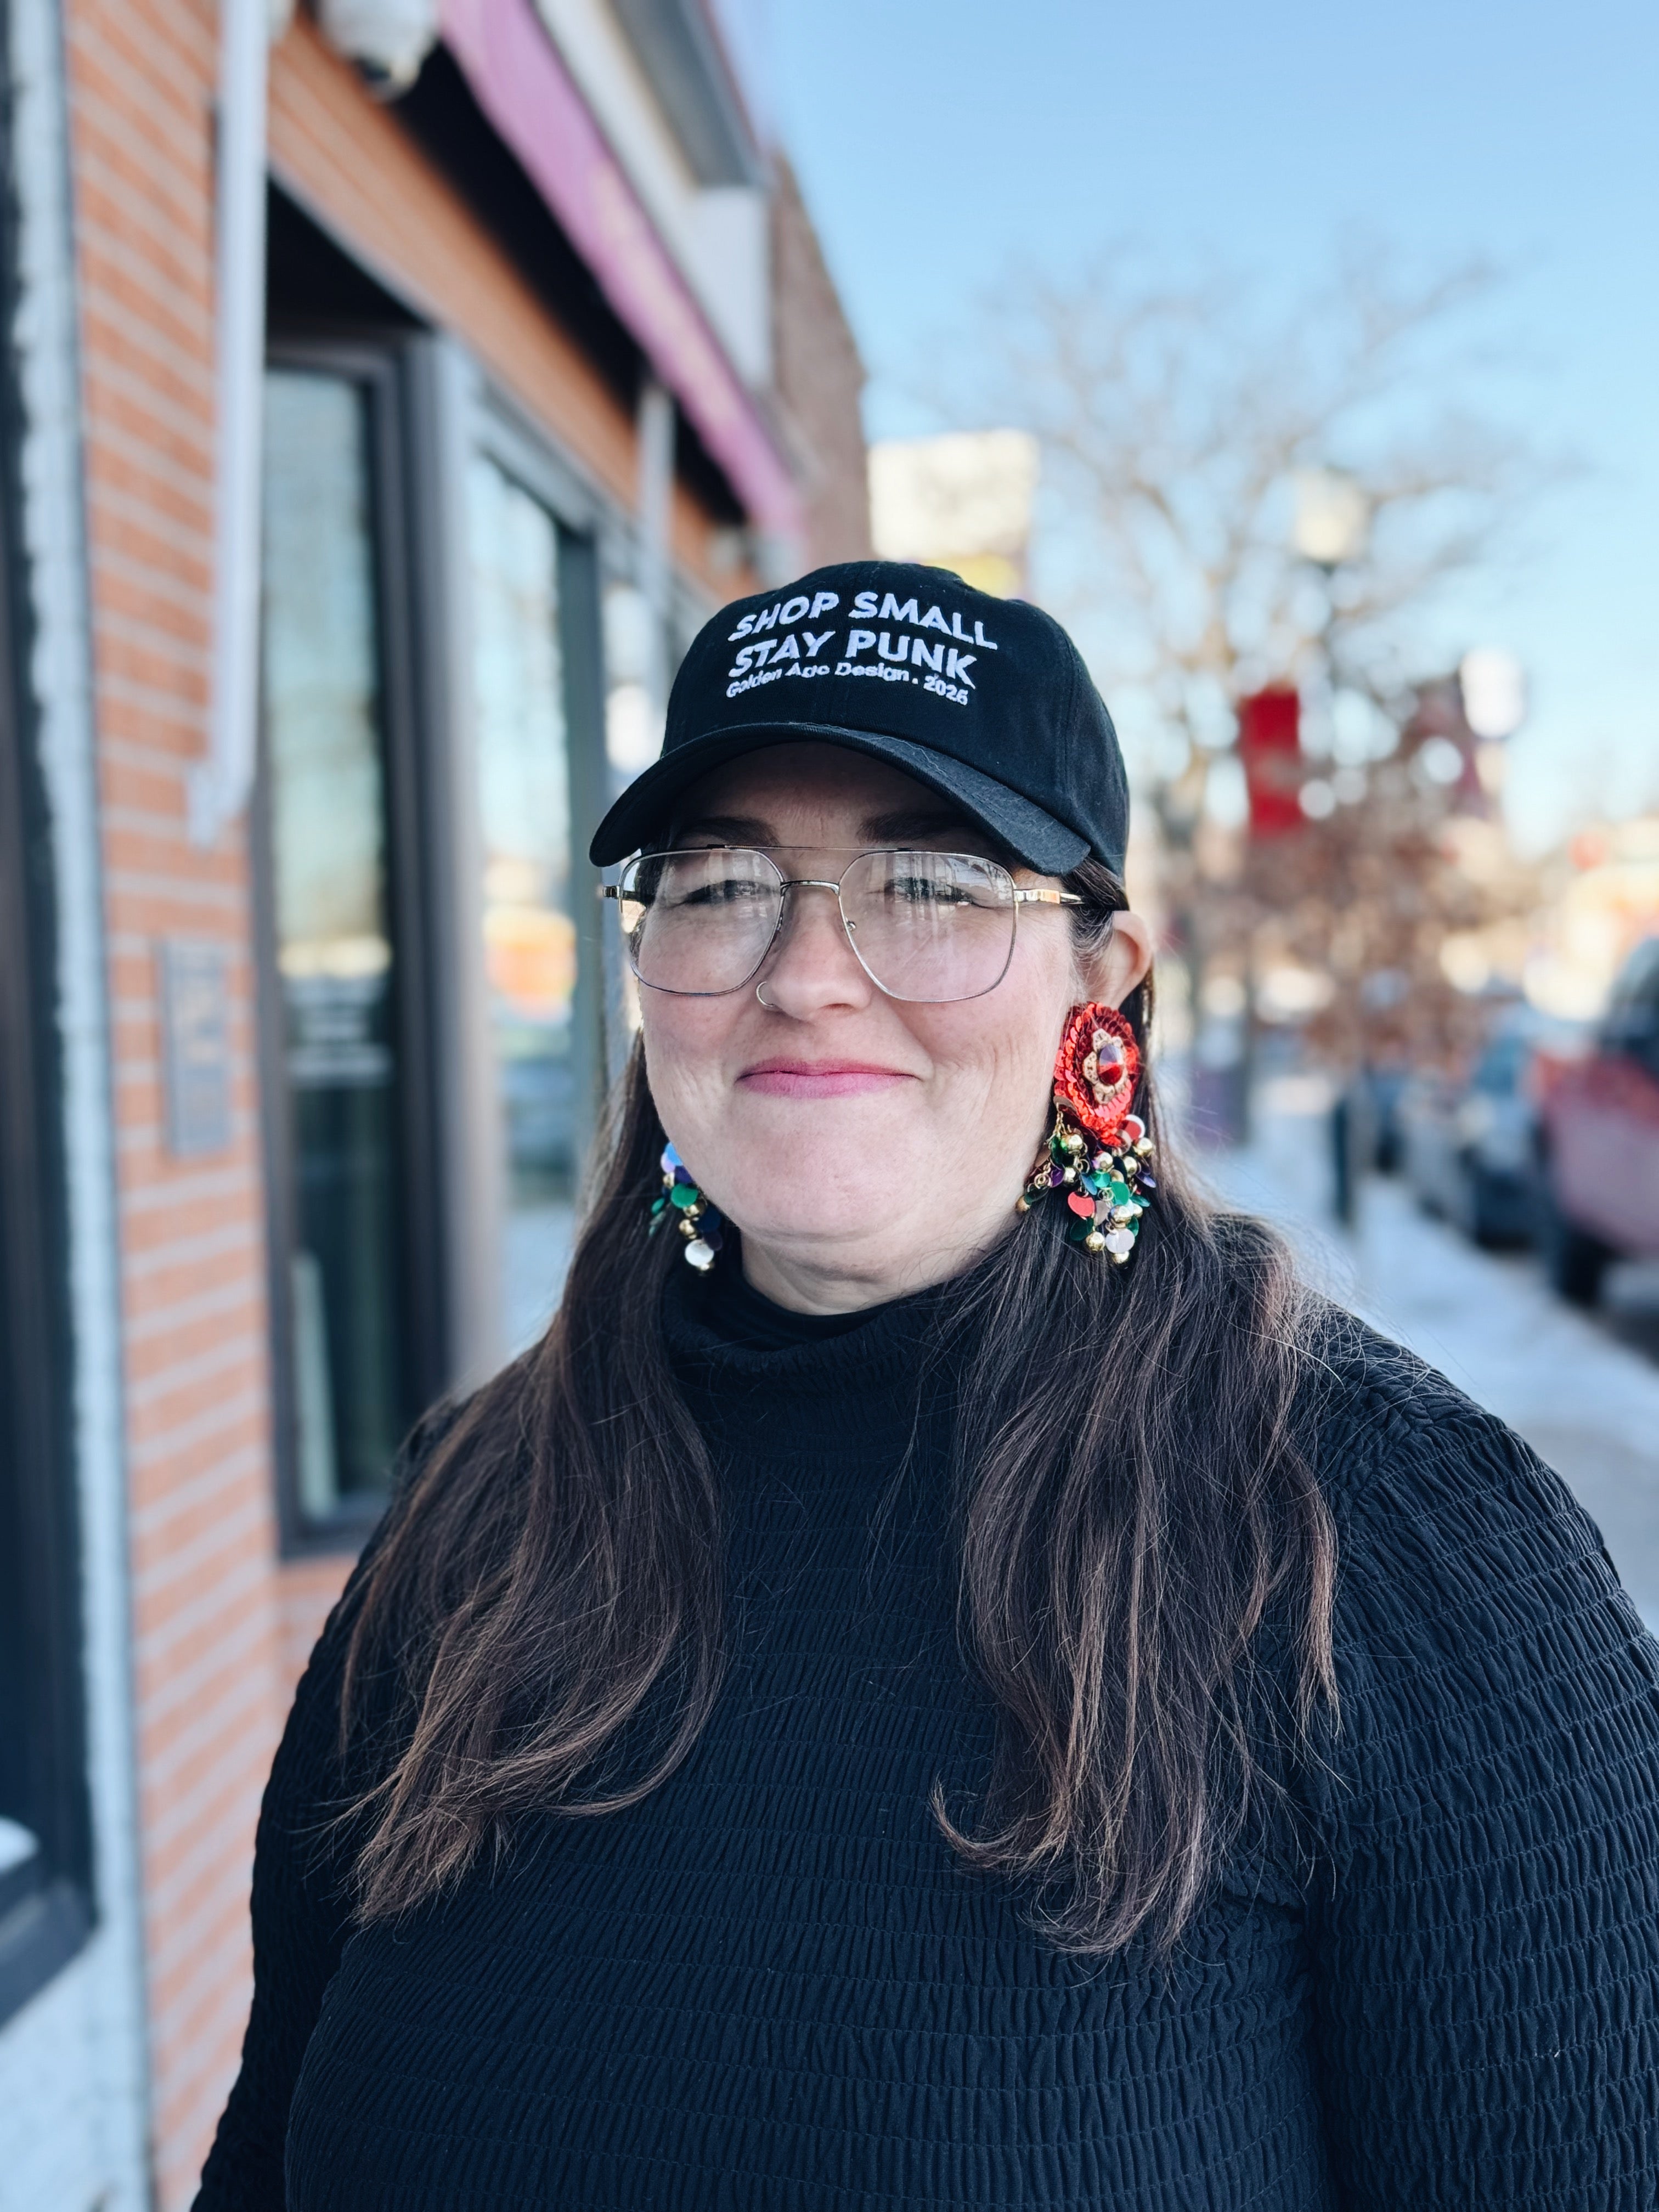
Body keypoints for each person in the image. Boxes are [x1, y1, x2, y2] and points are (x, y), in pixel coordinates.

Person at [196, 562, 1659, 2211]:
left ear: (1096, 983)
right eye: (721, 882)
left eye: (933, 884)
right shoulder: (475, 1517)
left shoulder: (1397, 1550)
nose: (807, 971)